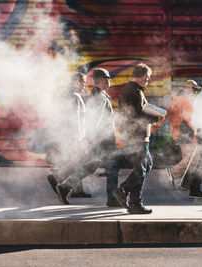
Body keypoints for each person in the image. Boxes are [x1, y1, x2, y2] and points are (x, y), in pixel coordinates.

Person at [55, 68, 121, 207]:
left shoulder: (98, 95)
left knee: (90, 167)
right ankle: (112, 198)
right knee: (112, 167)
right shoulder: (100, 97)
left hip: (100, 139)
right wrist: (89, 139)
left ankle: (65, 187)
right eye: (108, 78)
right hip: (104, 140)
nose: (110, 81)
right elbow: (96, 120)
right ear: (102, 80)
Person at [112, 63, 160, 214]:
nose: (149, 80)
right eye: (149, 77)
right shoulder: (136, 91)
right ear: (144, 76)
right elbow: (138, 115)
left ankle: (129, 196)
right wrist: (156, 117)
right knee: (141, 170)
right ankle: (131, 199)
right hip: (137, 136)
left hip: (133, 135)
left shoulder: (130, 89)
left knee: (145, 167)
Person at [46, 71, 92, 198]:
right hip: (73, 135)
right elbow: (75, 119)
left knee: (75, 160)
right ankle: (57, 176)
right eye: (83, 81)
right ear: (76, 82)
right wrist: (79, 138)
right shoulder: (74, 96)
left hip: (66, 134)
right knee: (78, 161)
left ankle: (77, 190)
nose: (85, 84)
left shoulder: (66, 94)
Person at [152, 80, 201, 190]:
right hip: (187, 133)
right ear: (189, 89)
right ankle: (174, 172)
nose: (195, 92)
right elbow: (189, 119)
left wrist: (156, 126)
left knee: (193, 159)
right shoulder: (186, 100)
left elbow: (165, 115)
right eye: (194, 89)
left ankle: (186, 183)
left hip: (179, 132)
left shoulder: (175, 100)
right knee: (191, 158)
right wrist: (198, 131)